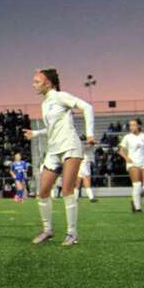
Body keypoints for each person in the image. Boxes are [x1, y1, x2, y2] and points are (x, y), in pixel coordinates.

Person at [23, 68, 94, 246]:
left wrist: (90, 134)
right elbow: (52, 128)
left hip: (70, 146)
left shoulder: (60, 96)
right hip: (53, 150)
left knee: (67, 190)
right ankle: (47, 230)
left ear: (48, 83)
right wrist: (36, 133)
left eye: (37, 82)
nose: (34, 85)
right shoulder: (45, 103)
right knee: (43, 192)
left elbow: (87, 107)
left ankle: (72, 233)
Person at [118, 119, 144, 213]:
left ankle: (135, 199)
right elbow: (121, 151)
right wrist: (127, 158)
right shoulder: (127, 137)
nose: (131, 127)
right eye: (130, 125)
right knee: (137, 185)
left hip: (143, 163)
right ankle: (138, 208)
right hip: (132, 163)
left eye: (134, 125)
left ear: (139, 126)